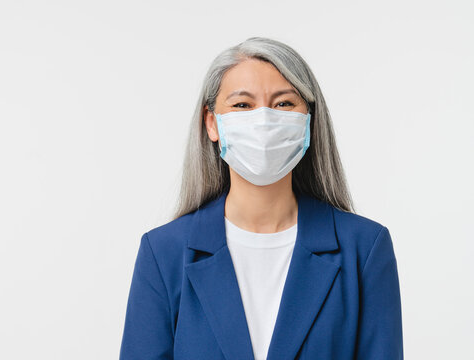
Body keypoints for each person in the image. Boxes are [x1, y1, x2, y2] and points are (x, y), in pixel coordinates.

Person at [119, 36, 403, 360]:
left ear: (308, 118)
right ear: (212, 122)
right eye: (242, 105)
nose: (264, 120)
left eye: (284, 103)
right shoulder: (163, 253)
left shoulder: (364, 249)